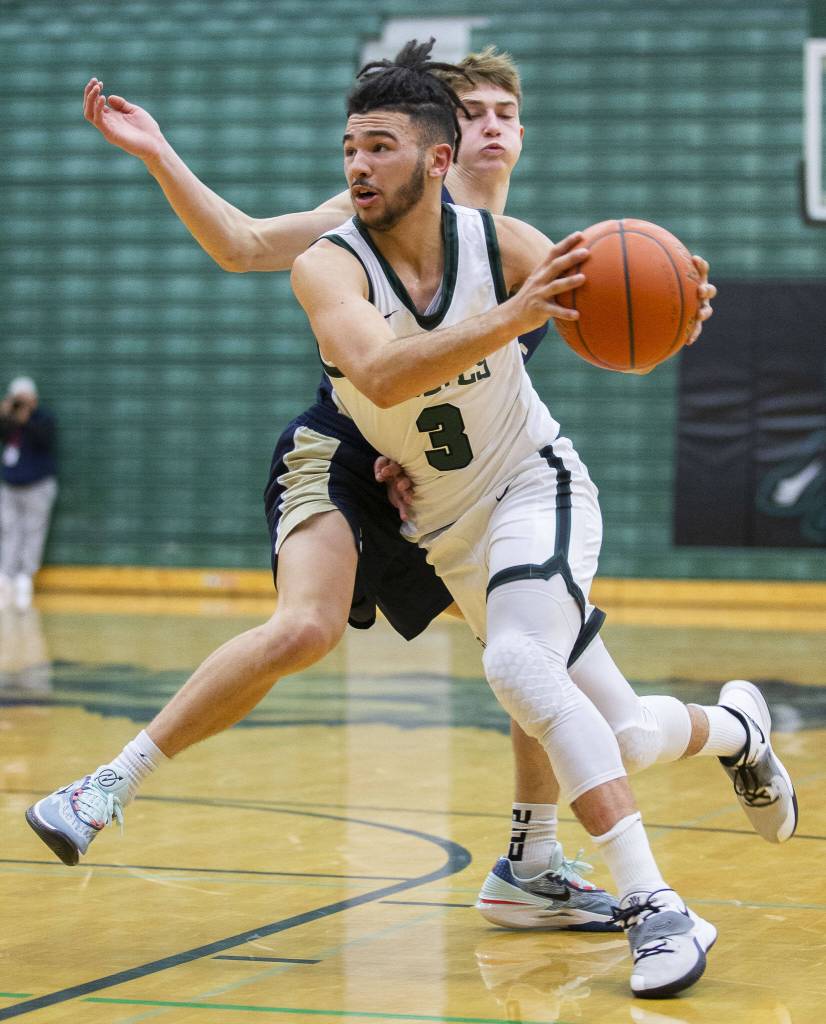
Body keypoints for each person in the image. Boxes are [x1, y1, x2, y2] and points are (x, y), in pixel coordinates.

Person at [25, 43, 796, 999]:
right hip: (364, 455)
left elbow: (631, 293)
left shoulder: (514, 242)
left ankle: (588, 846)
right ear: (448, 133)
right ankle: (111, 784)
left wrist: (681, 301)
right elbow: (287, 289)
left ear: (470, 145)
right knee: (333, 631)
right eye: (471, 110)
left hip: (498, 482)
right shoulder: (340, 243)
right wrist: (158, 151)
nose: (488, 127)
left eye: (501, 113)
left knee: (575, 700)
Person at [0, 377, 58, 611]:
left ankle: (25, 578)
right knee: (8, 530)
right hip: (10, 485)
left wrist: (25, 419)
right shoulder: (8, 421)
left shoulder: (43, 419)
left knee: (33, 531)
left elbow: (44, 442)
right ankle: (6, 577)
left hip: (37, 486)